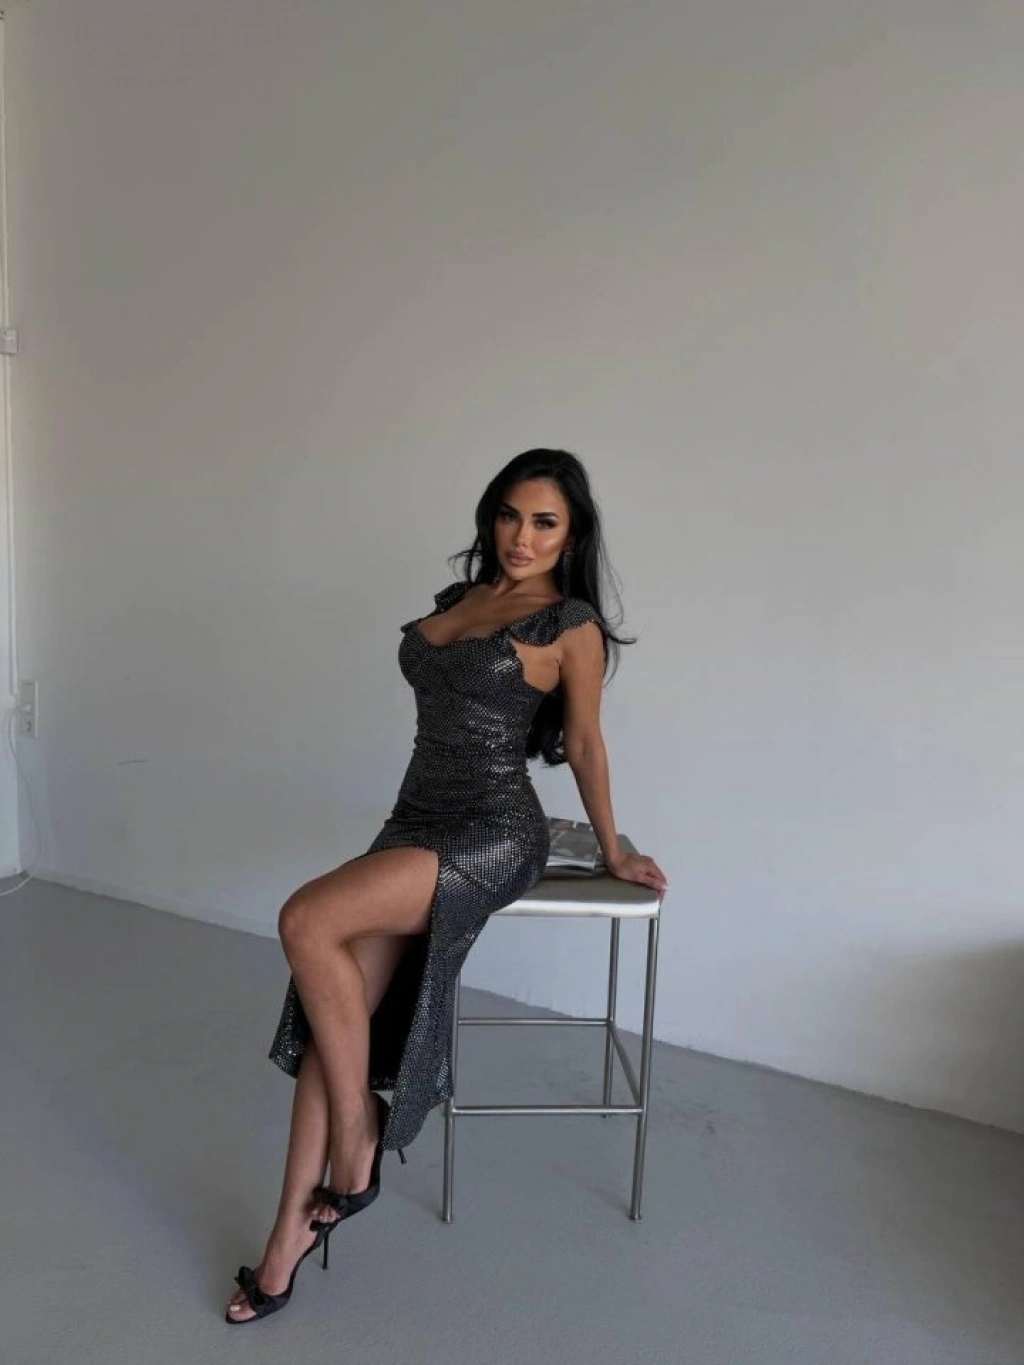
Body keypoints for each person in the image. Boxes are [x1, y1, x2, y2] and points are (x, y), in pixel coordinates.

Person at [226, 448, 668, 1323]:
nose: (522, 536)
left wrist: (613, 846)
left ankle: (358, 1133)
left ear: (573, 533)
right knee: (330, 1027)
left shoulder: (568, 623)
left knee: (305, 920)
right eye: (509, 515)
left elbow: (585, 742)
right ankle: (285, 1241)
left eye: (544, 522)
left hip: (492, 830)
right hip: (412, 820)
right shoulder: (460, 599)